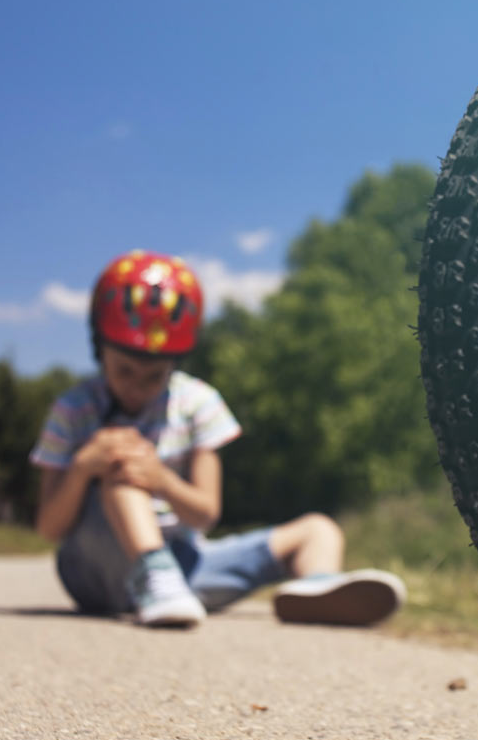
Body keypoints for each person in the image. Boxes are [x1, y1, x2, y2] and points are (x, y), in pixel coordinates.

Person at [29, 249, 405, 628]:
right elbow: (49, 528)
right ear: (100, 347)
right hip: (93, 570)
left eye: (153, 376)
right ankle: (153, 576)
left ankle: (317, 589)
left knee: (319, 529)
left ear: (176, 362)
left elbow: (206, 514)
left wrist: (161, 480)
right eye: (124, 370)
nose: (137, 387)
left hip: (184, 567)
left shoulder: (198, 402)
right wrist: (82, 468)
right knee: (123, 471)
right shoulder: (72, 409)